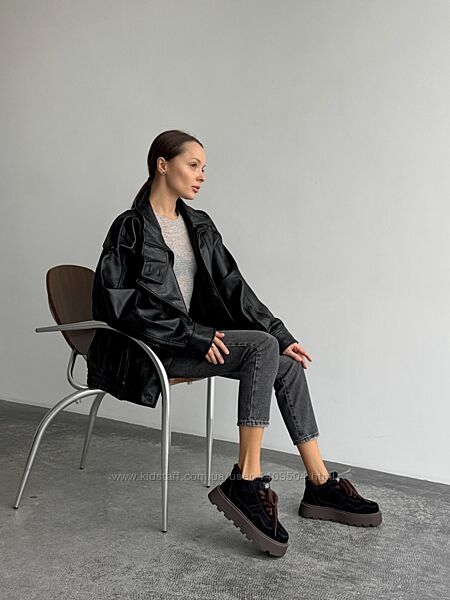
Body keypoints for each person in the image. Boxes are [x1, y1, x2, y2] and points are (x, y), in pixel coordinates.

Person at [87, 129, 382, 558]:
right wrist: (194, 335)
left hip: (193, 341)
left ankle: (319, 483)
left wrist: (281, 335)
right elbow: (116, 304)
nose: (201, 175)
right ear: (162, 165)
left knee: (282, 360)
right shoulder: (130, 227)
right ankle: (246, 479)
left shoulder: (199, 225)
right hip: (152, 349)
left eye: (204, 168)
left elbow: (234, 289)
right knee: (261, 348)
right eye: (193, 165)